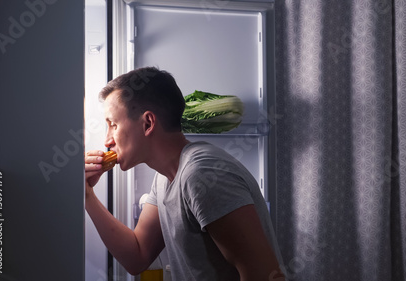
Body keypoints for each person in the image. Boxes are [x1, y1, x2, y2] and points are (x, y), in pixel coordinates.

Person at [85, 66, 285, 281]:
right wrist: (87, 195)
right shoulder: (164, 177)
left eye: (113, 125)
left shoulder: (202, 174)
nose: (107, 140)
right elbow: (138, 256)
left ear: (148, 123)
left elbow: (265, 276)